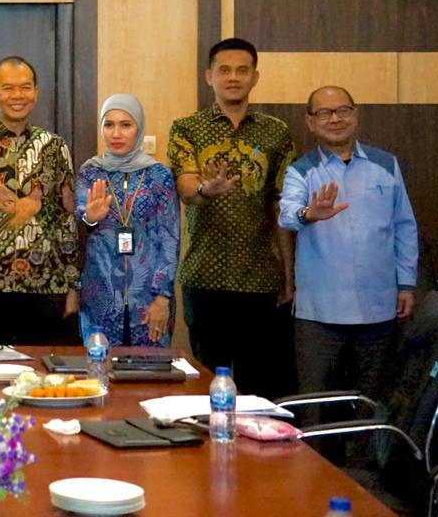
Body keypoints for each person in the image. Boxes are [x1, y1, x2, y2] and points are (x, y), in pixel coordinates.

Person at [168, 38, 296, 397]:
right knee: (209, 386)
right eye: (224, 70)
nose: (233, 78)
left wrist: (289, 277)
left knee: (260, 387)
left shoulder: (277, 132)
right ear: (209, 77)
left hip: (261, 279)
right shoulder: (187, 128)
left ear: (255, 77)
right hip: (205, 277)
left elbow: (281, 207)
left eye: (242, 70)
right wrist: (206, 189)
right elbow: (186, 188)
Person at [278, 86, 416, 405]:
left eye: (343, 110)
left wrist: (407, 283)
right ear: (311, 122)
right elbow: (287, 214)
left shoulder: (386, 165)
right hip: (320, 314)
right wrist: (309, 213)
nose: (335, 119)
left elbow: (404, 226)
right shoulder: (300, 171)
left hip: (380, 308)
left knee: (373, 405)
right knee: (316, 405)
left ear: (355, 115)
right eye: (324, 113)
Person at [0, 56, 80, 345]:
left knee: (42, 368)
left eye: (25, 87)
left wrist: (73, 283)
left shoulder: (54, 145)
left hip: (46, 283)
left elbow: (67, 217)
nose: (17, 95)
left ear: (36, 92)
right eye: (8, 88)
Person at [75, 94, 179, 347]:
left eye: (125, 125)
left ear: (139, 127)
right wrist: (90, 218)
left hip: (149, 296)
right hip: (100, 294)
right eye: (109, 125)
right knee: (100, 364)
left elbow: (169, 237)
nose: (116, 134)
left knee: (150, 368)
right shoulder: (90, 172)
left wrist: (162, 297)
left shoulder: (159, 175)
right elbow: (78, 224)